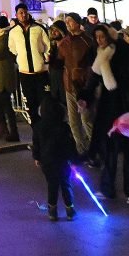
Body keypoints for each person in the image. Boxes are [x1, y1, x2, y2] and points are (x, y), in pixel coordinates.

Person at [84, 23, 129, 206]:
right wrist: (84, 98)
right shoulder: (100, 57)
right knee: (108, 149)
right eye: (97, 38)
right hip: (109, 108)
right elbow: (92, 80)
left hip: (125, 105)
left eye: (102, 37)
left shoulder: (123, 52)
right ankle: (107, 187)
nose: (99, 40)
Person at [32, 84, 77, 221]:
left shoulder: (38, 127)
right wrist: (74, 159)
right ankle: (70, 210)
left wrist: (37, 157)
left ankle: (52, 211)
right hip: (63, 161)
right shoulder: (64, 127)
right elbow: (70, 145)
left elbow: (36, 144)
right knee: (66, 184)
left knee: (52, 185)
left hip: (47, 161)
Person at [9, 3, 53, 126]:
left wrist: (45, 57)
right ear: (16, 15)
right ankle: (37, 133)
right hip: (25, 74)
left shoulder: (38, 28)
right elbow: (12, 50)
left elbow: (47, 46)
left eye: (24, 12)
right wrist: (19, 60)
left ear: (28, 12)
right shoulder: (13, 32)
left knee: (45, 103)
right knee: (31, 105)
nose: (23, 15)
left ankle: (48, 129)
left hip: (41, 73)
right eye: (20, 13)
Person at [56, 13, 94, 152]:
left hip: (83, 85)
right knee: (73, 121)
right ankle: (81, 149)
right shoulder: (65, 42)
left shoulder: (87, 40)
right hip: (69, 85)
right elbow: (60, 61)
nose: (67, 24)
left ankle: (94, 147)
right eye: (66, 22)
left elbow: (92, 63)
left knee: (86, 119)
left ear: (78, 23)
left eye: (70, 21)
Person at [0, 15, 21, 141]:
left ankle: (13, 132)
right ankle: (3, 128)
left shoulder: (4, 37)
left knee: (6, 106)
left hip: (4, 76)